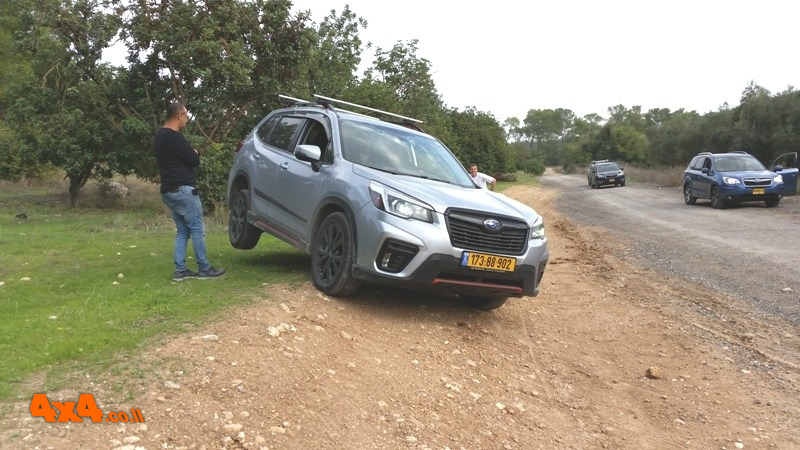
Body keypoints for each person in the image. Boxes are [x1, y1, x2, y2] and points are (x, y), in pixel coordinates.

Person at [154, 101, 225, 281]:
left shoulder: (160, 136)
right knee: (197, 229)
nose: (186, 119)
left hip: (168, 190)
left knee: (183, 231)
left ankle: (181, 270)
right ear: (179, 116)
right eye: (186, 115)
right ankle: (204, 269)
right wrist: (195, 152)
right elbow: (194, 160)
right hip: (184, 190)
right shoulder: (176, 137)